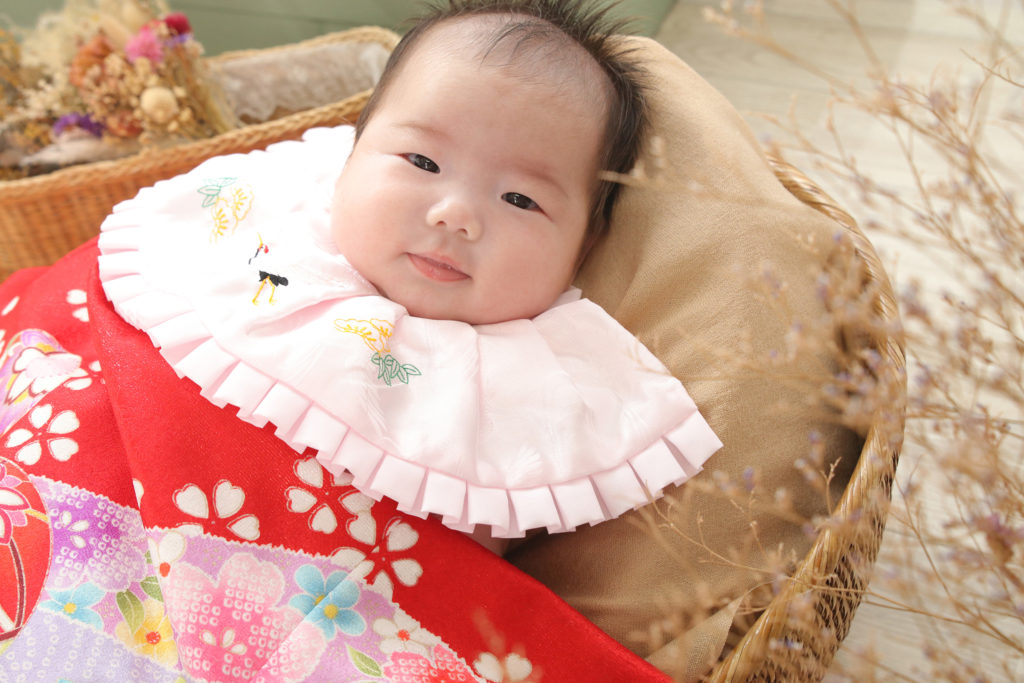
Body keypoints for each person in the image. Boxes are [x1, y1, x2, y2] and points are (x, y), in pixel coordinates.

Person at [96, 0, 722, 554]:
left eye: (520, 199)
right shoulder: (282, 227)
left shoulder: (539, 381)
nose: (455, 214)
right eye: (422, 161)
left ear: (583, 247)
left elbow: (463, 556)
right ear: (352, 153)